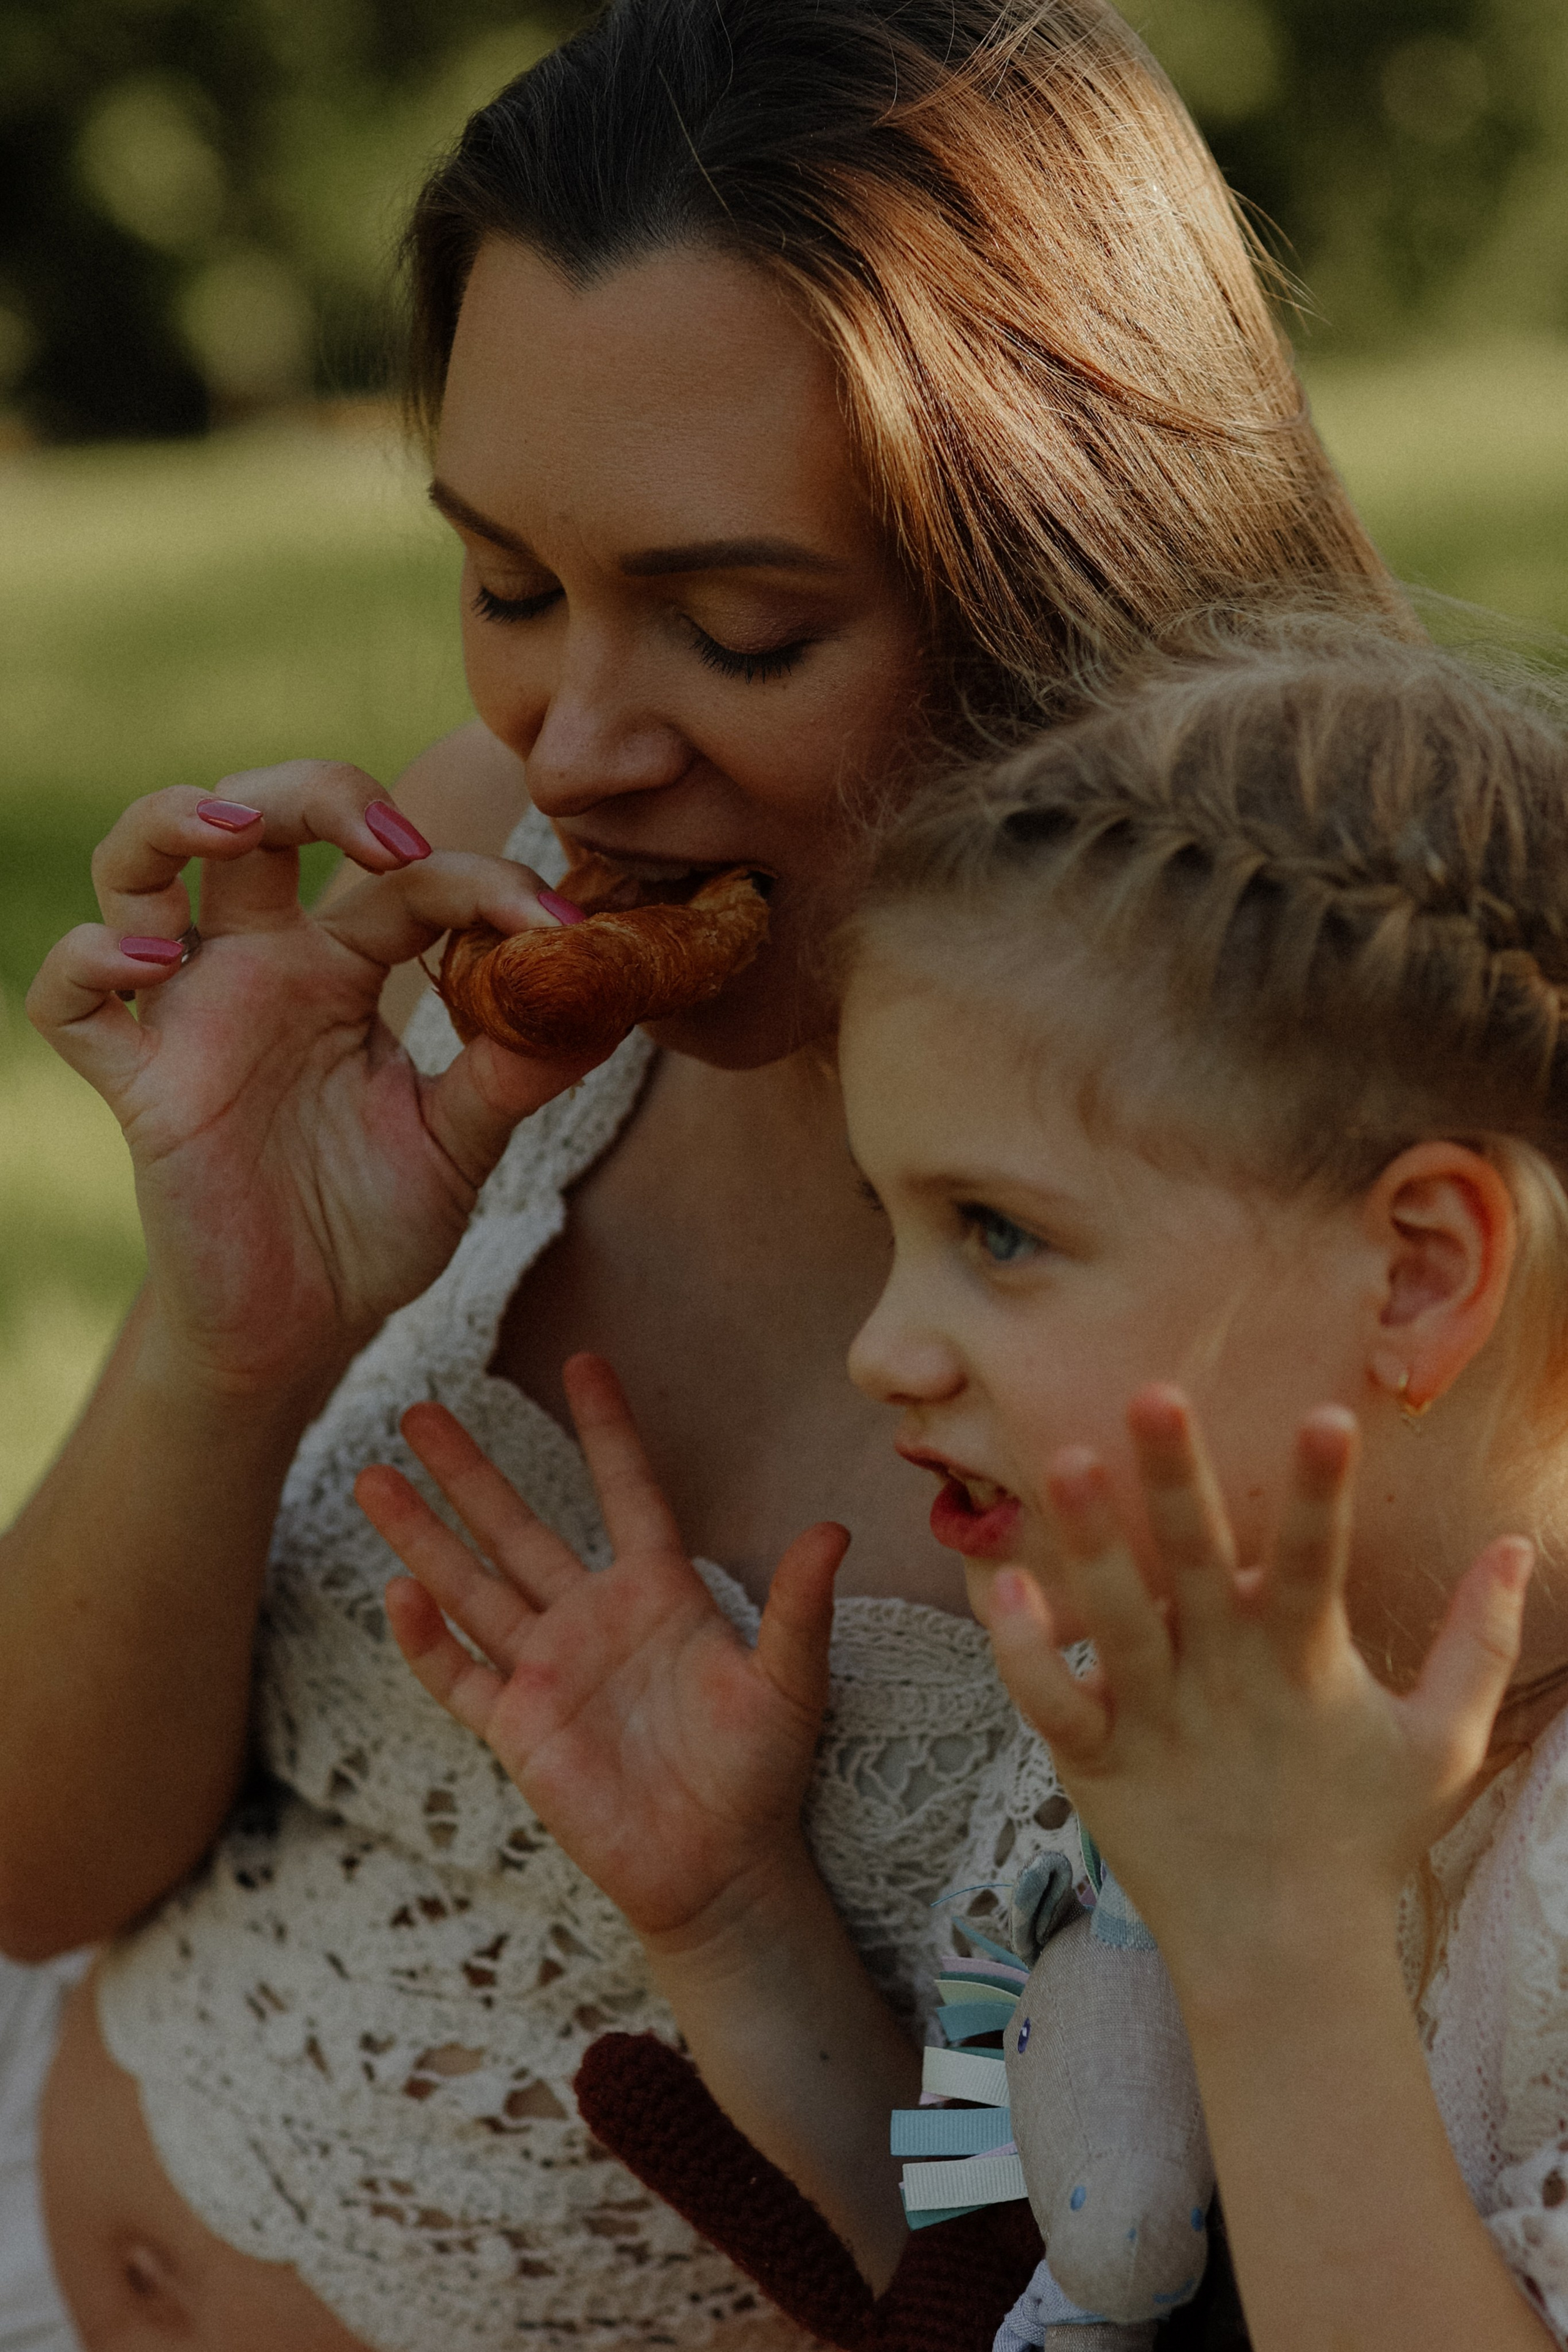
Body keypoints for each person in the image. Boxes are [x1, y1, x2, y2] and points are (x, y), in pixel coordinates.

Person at [2, 1, 1403, 2344]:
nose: (577, 745)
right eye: (513, 584)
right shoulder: (487, 875)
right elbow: (37, 1869)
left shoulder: (1284, 1258)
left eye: (741, 625)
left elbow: (1115, 2269)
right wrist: (234, 1346)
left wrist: (746, 1923)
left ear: (1082, 593)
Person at [383, 617, 1568, 2351]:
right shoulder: (1121, 1712)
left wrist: (1282, 1939)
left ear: (1414, 1271)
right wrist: (732, 1914)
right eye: (898, 1228)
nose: (888, 1351)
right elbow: (989, 2265)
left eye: (999, 1234)